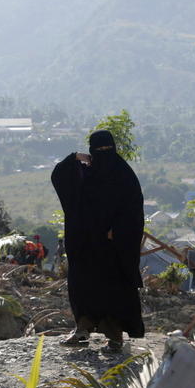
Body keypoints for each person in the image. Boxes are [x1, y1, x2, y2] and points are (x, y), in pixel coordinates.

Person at [50, 130, 144, 353]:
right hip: (85, 243)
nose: (103, 155)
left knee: (113, 289)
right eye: (98, 151)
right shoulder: (85, 173)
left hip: (112, 246)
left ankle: (114, 337)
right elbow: (59, 177)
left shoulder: (124, 175)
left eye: (106, 150)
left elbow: (133, 209)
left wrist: (118, 231)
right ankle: (82, 328)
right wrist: (75, 157)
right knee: (83, 285)